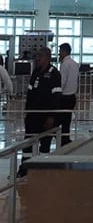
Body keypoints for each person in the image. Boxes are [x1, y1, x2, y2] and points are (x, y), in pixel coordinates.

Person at [18, 47, 61, 177]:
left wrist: (52, 116)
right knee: (27, 143)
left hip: (46, 115)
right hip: (33, 115)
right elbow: (30, 93)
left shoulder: (54, 73)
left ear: (47, 57)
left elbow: (56, 96)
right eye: (37, 56)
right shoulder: (36, 72)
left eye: (40, 56)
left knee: (45, 144)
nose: (38, 58)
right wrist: (27, 111)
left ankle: (43, 170)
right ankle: (24, 169)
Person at [58, 43, 79, 145]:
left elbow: (62, 81)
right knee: (67, 119)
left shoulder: (64, 64)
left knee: (59, 119)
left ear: (64, 51)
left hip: (64, 97)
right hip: (72, 96)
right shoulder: (75, 64)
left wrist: (57, 94)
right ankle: (65, 138)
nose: (59, 54)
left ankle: (62, 139)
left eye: (60, 51)